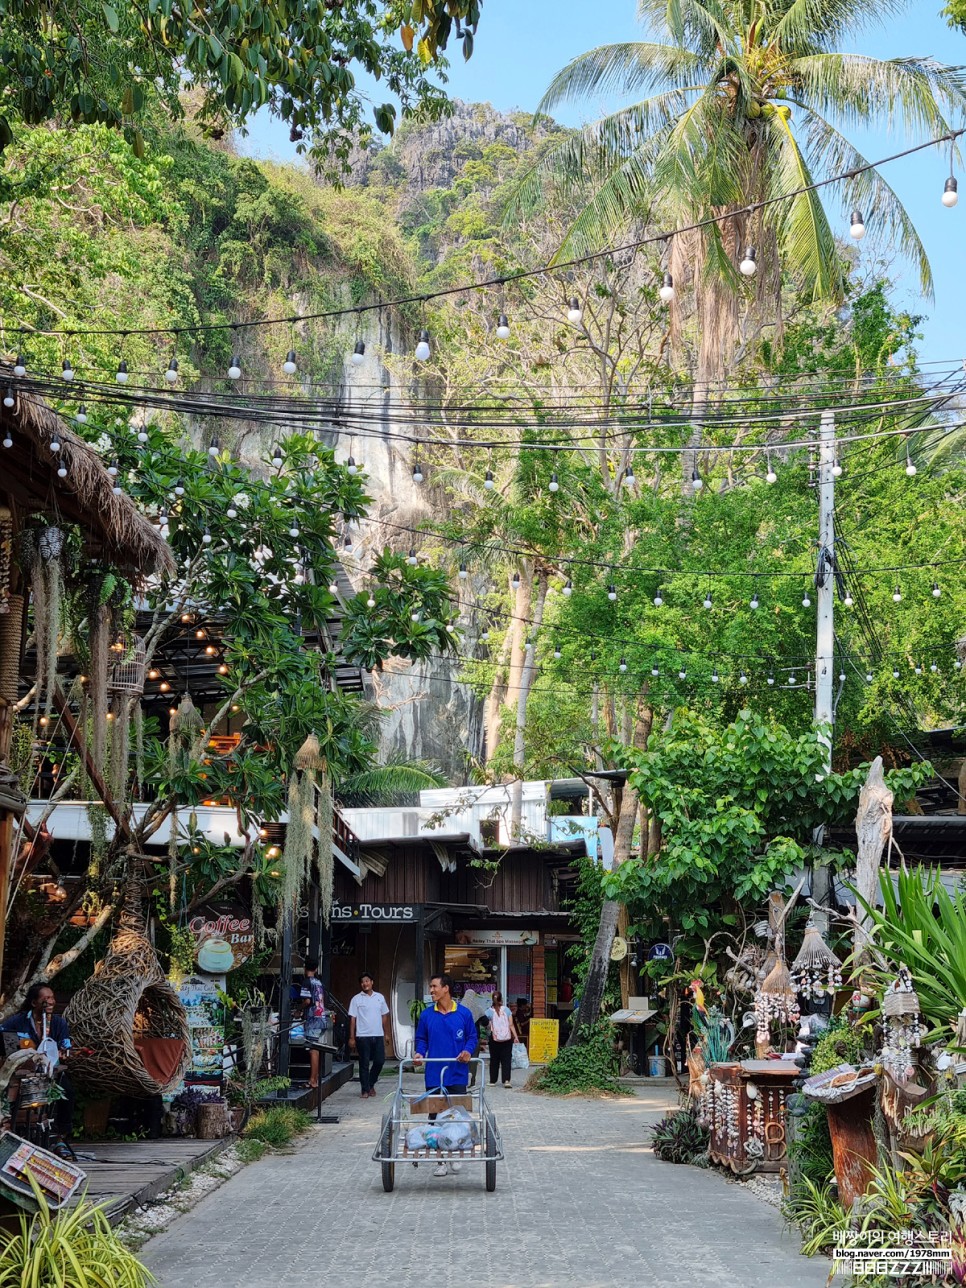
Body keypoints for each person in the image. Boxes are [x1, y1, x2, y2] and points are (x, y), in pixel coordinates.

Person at [414, 973, 478, 1177]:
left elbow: (472, 1037)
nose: (431, 990)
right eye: (430, 987)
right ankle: (440, 1160)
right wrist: (419, 1053)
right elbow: (421, 1039)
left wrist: (467, 1051)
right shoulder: (426, 1015)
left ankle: (456, 1154)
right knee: (434, 1118)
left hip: (457, 1073)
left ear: (446, 988)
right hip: (434, 1075)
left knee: (457, 1117)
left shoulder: (464, 1014)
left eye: (434, 986)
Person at [0, 983, 74, 1156]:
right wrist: (18, 1047)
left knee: (68, 1092)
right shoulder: (18, 1021)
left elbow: (66, 1044)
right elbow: (3, 1038)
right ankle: (10, 1136)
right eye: (45, 998)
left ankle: (60, 1139)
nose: (50, 1002)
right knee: (11, 1094)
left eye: (52, 998)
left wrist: (64, 1051)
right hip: (23, 1073)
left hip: (51, 1071)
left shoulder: (59, 1022)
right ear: (34, 1003)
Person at [348, 972, 391, 1099]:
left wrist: (386, 1034)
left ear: (372, 982)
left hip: (378, 1035)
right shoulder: (356, 999)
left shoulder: (380, 997)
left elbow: (384, 1015)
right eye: (362, 982)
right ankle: (365, 1089)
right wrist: (352, 1037)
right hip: (362, 1036)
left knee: (379, 1061)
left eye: (367, 981)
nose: (365, 984)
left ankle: (370, 1083)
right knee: (364, 1063)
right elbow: (352, 1019)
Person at [299, 959, 327, 1090]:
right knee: (315, 1049)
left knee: (313, 1050)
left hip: (312, 1019)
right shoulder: (319, 982)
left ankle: (313, 1080)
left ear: (305, 968)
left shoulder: (306, 982)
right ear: (316, 969)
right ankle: (315, 1078)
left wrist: (299, 1010)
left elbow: (307, 1001)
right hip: (321, 1017)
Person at [484, 992, 521, 1088]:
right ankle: (506, 1080)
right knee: (506, 1060)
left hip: (494, 1039)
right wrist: (516, 1037)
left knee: (494, 1060)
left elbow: (487, 1025)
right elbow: (511, 1025)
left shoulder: (489, 1011)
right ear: (501, 1000)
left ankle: (492, 1081)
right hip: (507, 1039)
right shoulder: (507, 1010)